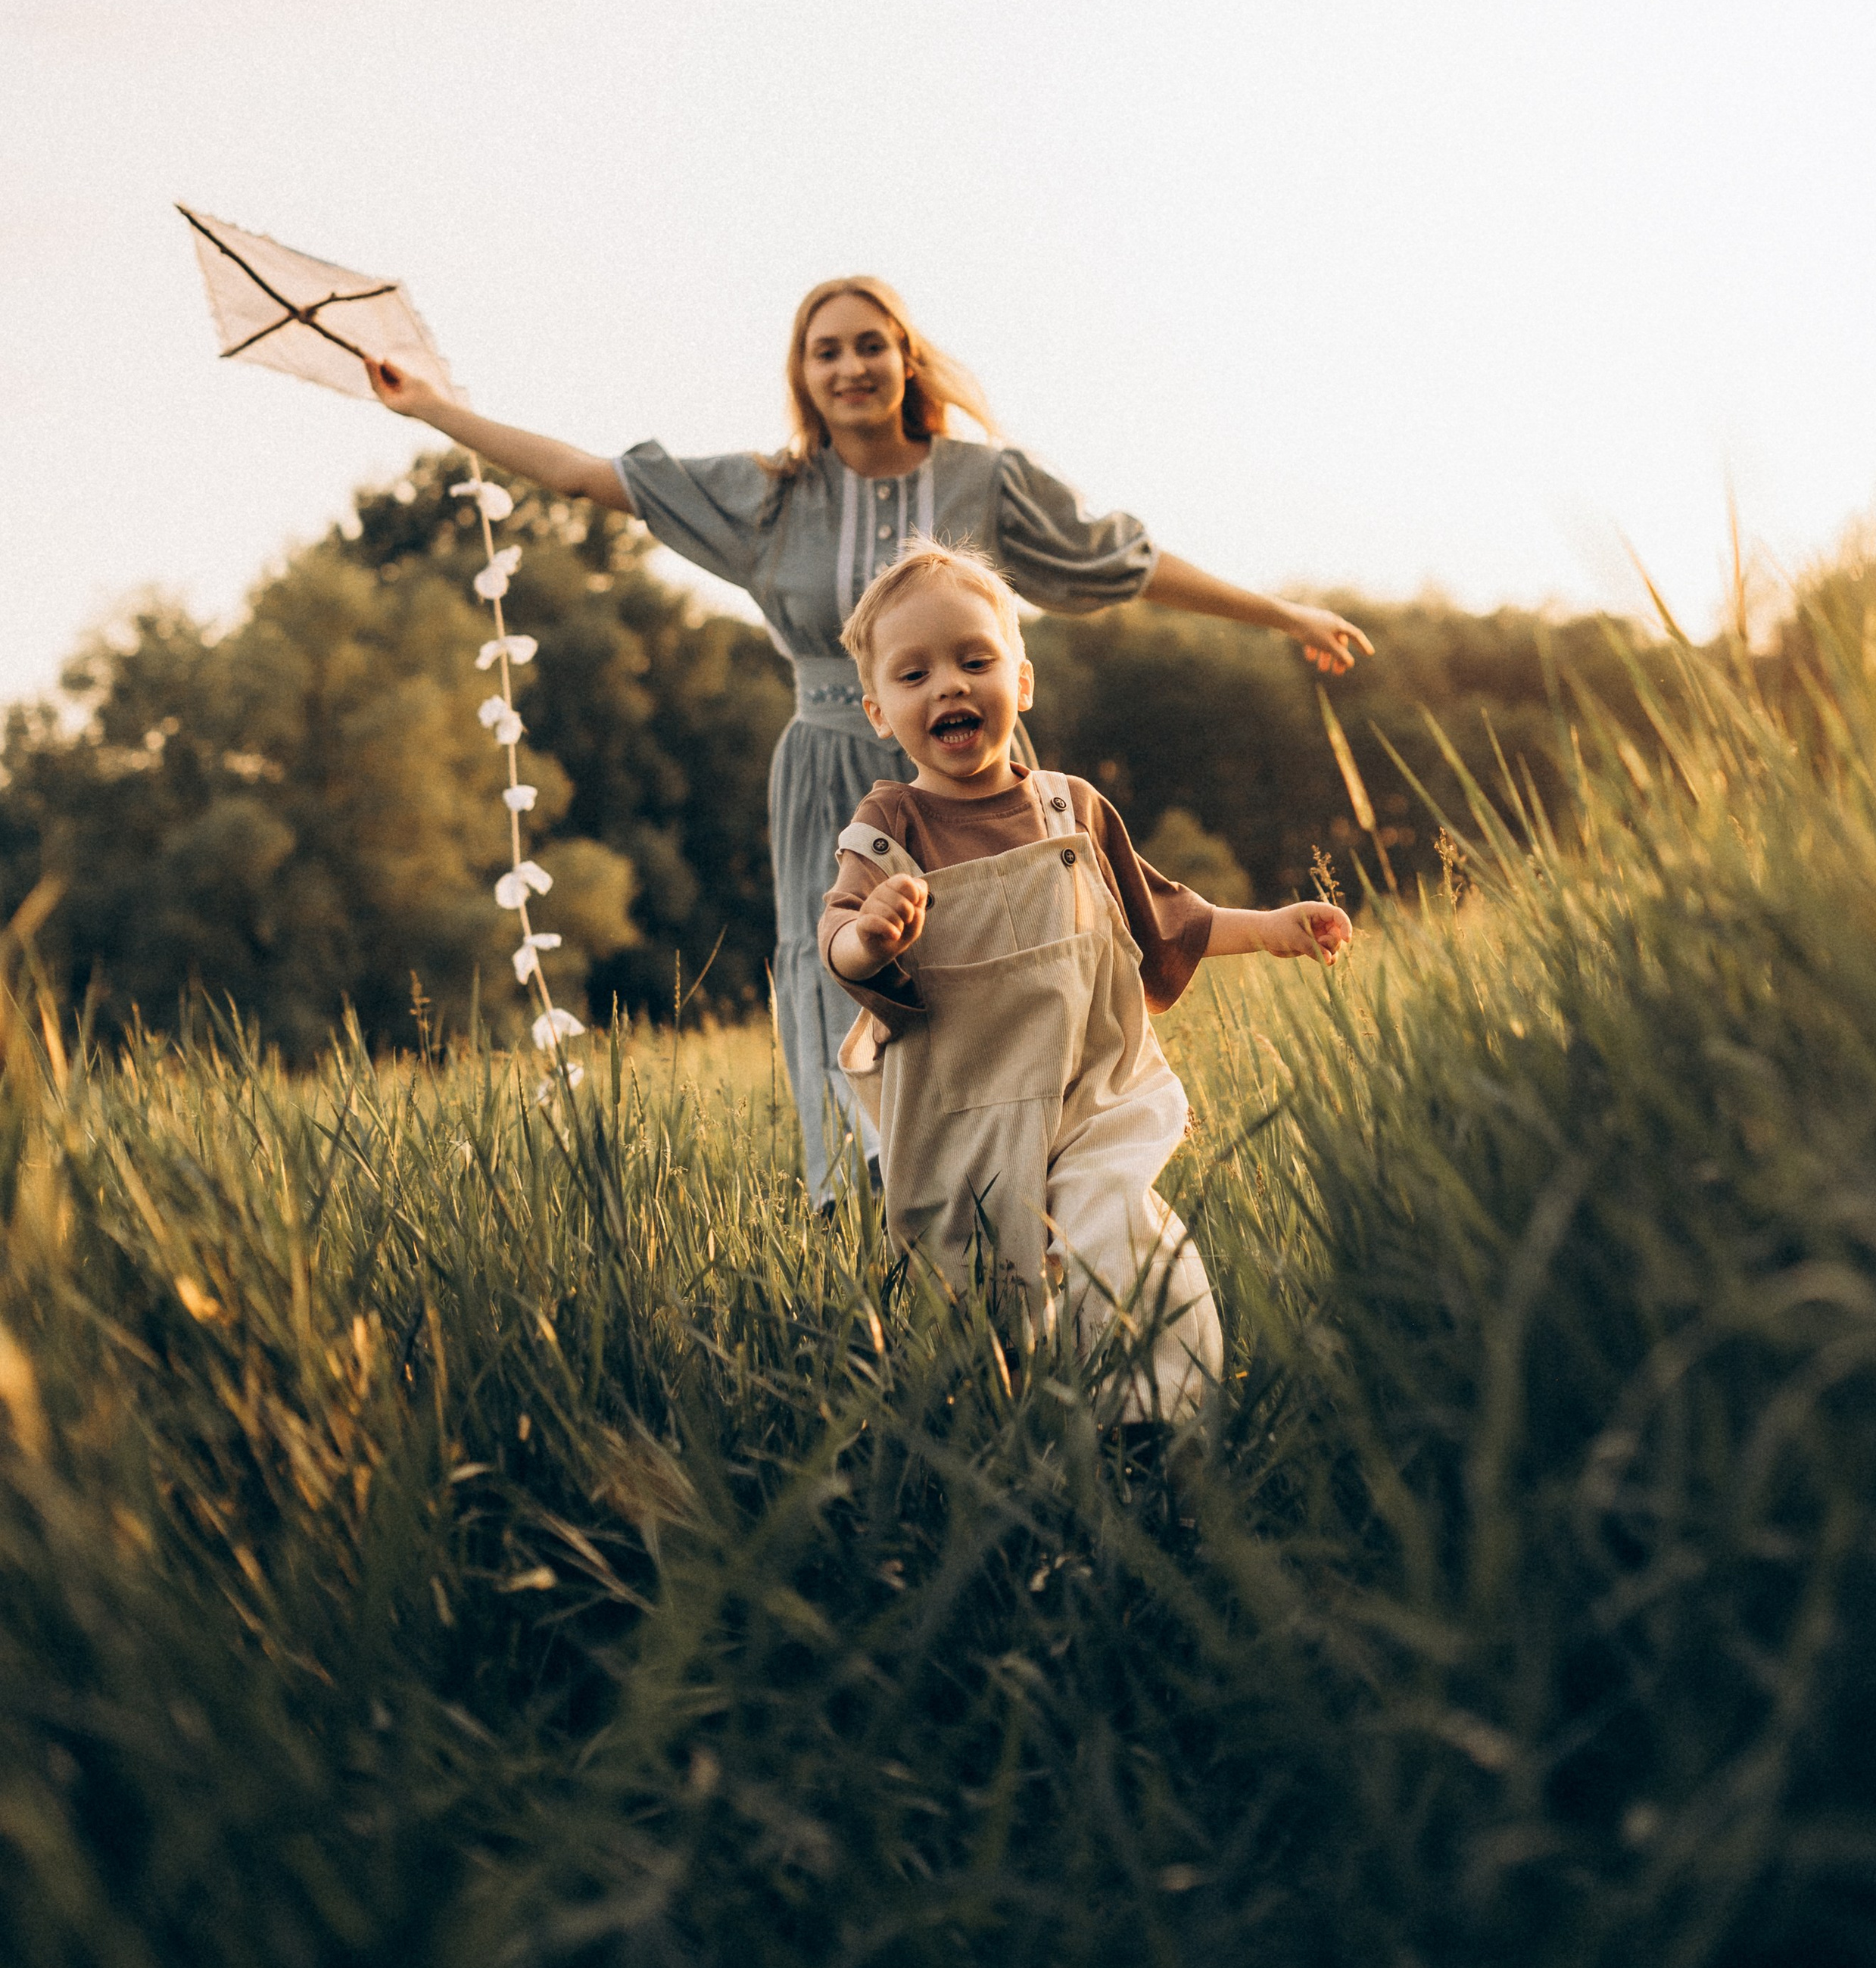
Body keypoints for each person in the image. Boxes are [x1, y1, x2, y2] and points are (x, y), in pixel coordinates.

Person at [365, 276, 1370, 1204]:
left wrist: (1284, 617)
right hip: (826, 775)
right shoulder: (771, 495)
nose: (849, 367)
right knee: (839, 970)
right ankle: (867, 1206)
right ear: (803, 377)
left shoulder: (989, 482)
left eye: (870, 345)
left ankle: (1051, 1172)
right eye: (825, 351)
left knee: (1028, 953)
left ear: (907, 360)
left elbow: (1124, 562)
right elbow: (587, 478)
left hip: (974, 771)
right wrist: (431, 408)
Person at [821, 539, 1350, 1419]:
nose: (949, 684)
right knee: (979, 1291)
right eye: (914, 675)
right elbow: (836, 928)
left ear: (1020, 682)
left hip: (1088, 1088)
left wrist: (1269, 930)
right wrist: (867, 942)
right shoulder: (890, 824)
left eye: (974, 659)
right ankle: (1010, 1429)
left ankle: (1157, 1416)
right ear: (880, 710)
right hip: (962, 1104)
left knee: (1121, 1231)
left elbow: (1161, 918)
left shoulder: (1070, 808)